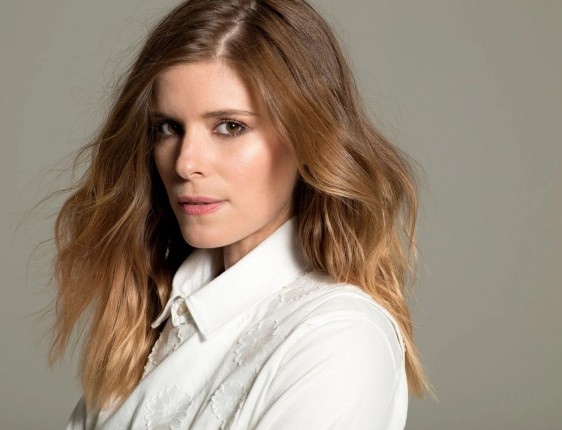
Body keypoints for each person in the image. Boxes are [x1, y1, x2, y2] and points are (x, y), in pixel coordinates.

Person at [50, 0, 430, 428]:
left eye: (230, 126)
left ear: (309, 137)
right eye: (168, 127)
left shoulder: (339, 339)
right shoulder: (149, 319)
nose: (185, 163)